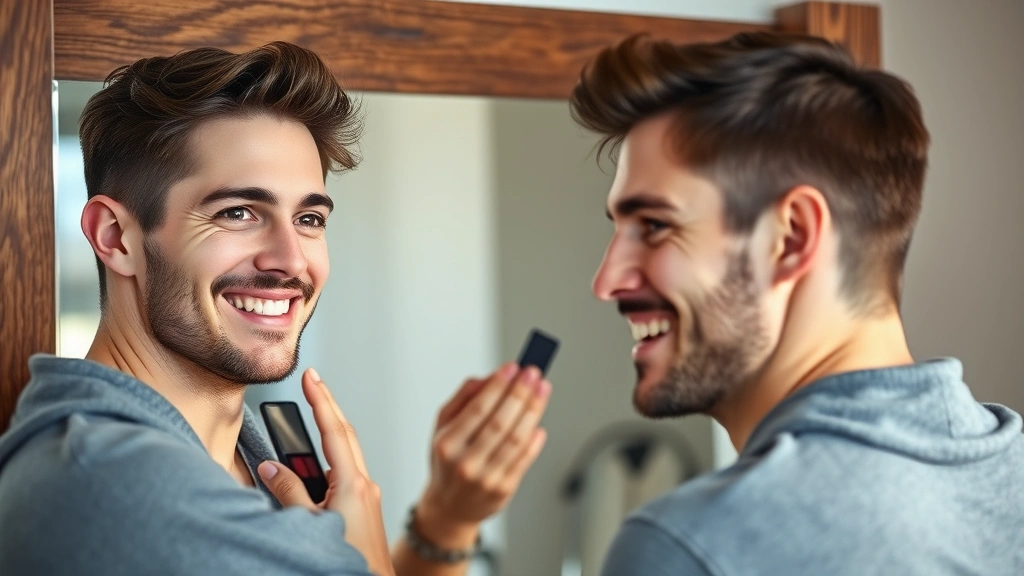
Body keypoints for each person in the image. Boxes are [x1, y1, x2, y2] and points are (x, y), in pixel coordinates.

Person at [0, 42, 551, 576]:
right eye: (238, 212)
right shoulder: (123, 484)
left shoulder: (234, 456)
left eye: (309, 220)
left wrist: (446, 520)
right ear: (116, 237)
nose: (290, 260)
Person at [569, 32, 1024, 575]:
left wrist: (465, 531)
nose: (606, 282)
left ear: (790, 237)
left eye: (654, 226)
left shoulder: (694, 543)